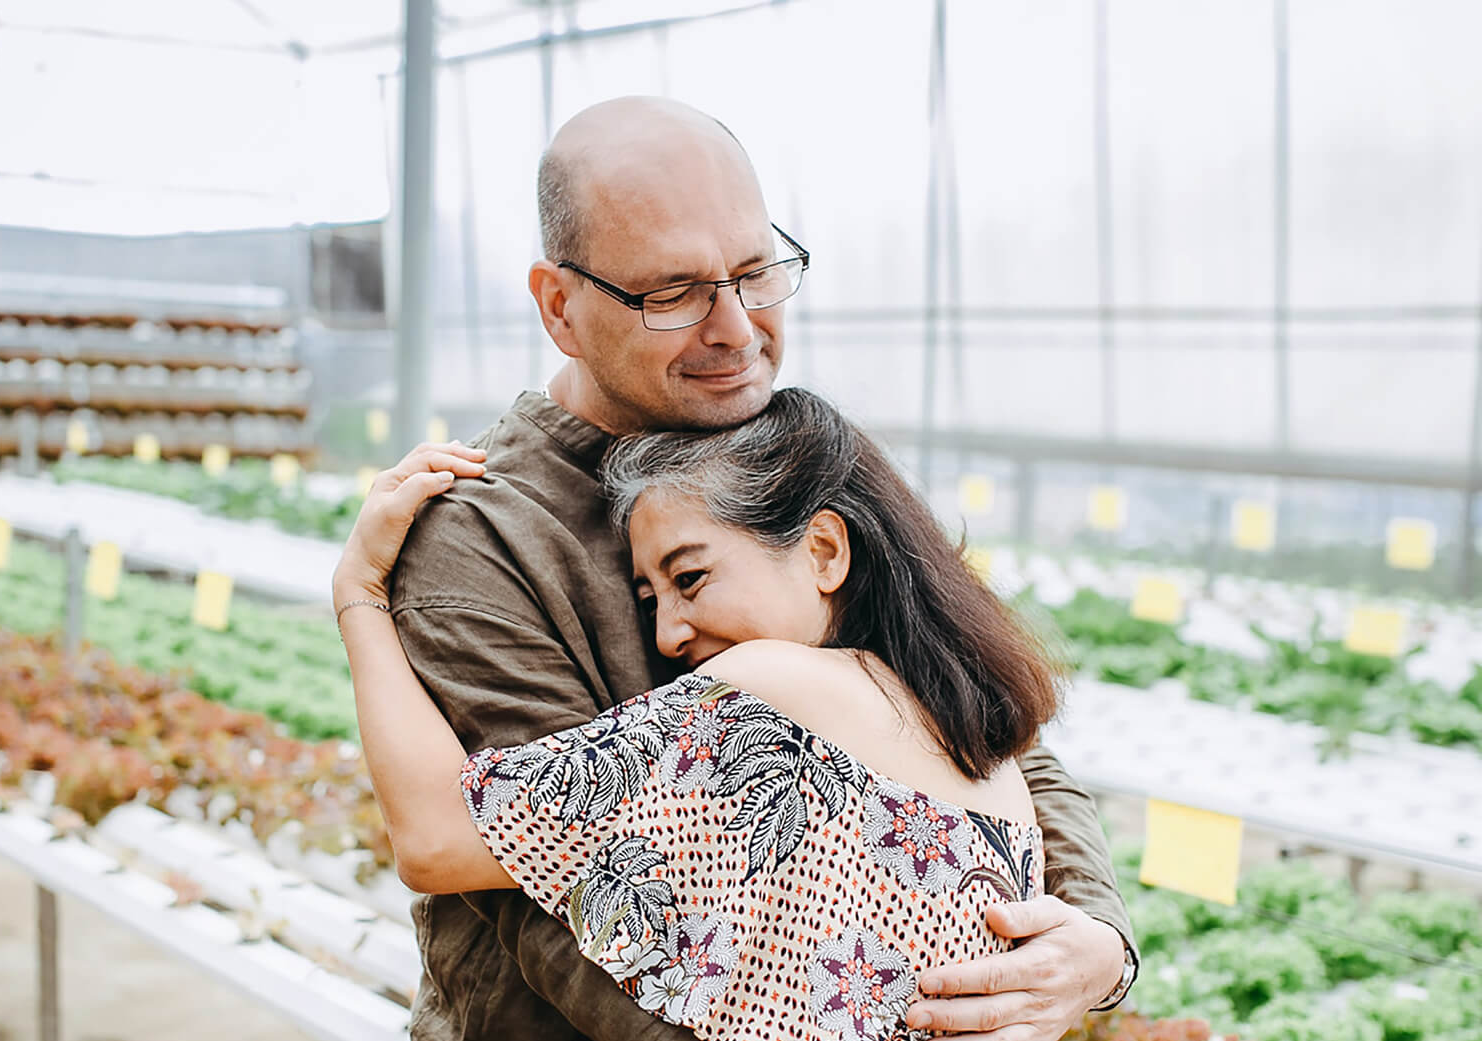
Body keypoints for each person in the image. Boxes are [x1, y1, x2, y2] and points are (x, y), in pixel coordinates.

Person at [365, 96, 1136, 1041]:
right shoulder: (480, 532)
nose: (735, 328)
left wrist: (1095, 942)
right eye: (673, 293)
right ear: (559, 306)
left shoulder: (781, 448)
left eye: (755, 272)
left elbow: (975, 713)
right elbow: (557, 909)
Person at [334, 388, 1075, 1039]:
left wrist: (360, 593)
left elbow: (436, 839)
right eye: (651, 597)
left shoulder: (767, 690)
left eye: (690, 576)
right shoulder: (997, 767)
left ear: (823, 550)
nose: (667, 634)